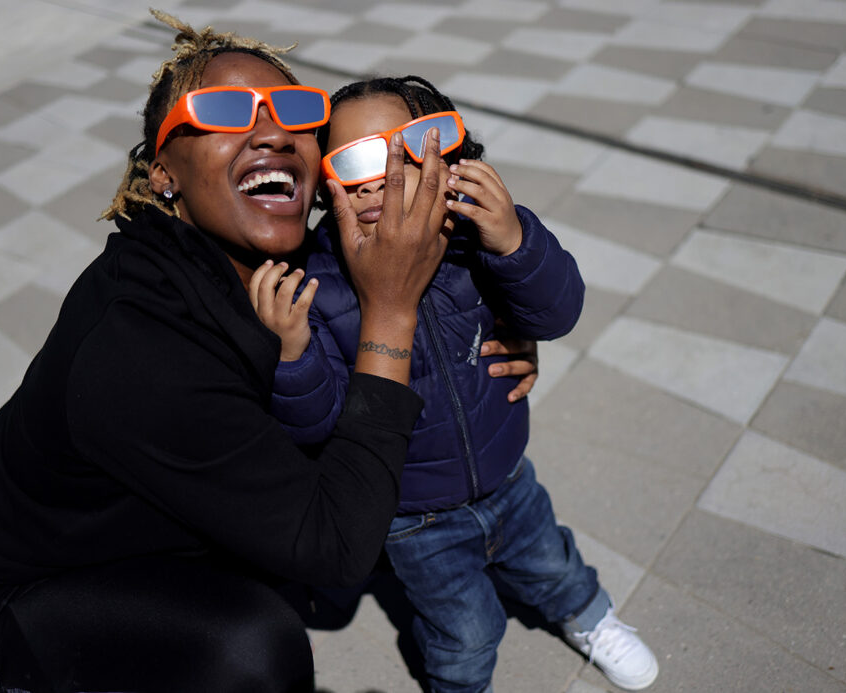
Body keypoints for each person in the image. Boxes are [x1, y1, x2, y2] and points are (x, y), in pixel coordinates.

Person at [0, 13, 454, 693]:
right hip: (16, 604)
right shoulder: (139, 351)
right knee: (255, 647)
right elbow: (338, 547)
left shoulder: (272, 254)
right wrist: (392, 311)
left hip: (151, 527)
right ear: (163, 175)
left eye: (296, 113)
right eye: (224, 113)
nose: (271, 131)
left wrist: (497, 328)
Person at [264, 76, 660, 692]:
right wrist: (292, 358)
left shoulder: (474, 241)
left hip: (509, 475)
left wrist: (516, 240)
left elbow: (556, 314)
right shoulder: (319, 285)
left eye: (402, 153)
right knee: (465, 630)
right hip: (414, 517)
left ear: (448, 158)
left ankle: (591, 618)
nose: (380, 179)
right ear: (324, 184)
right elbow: (319, 425)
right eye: (351, 163)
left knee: (555, 566)